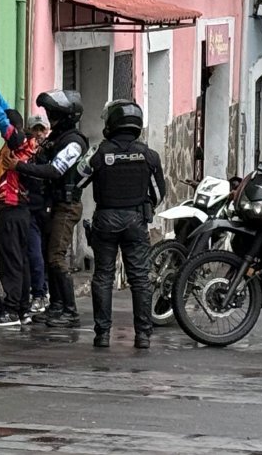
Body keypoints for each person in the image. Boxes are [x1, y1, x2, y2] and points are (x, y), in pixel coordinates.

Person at [75, 100, 166, 349]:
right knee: (140, 278)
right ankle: (143, 336)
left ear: (111, 123)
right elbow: (159, 193)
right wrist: (144, 206)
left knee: (103, 276)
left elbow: (78, 179)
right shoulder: (149, 155)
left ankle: (102, 335)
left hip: (106, 219)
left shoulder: (99, 152)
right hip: (136, 220)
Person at [7, 89, 88, 328]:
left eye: (54, 114)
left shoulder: (74, 143)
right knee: (47, 254)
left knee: (55, 257)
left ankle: (70, 311)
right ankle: (56, 307)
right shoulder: (57, 139)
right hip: (51, 205)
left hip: (67, 205)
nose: (50, 118)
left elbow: (55, 171)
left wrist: (20, 167)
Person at [0, 69, 37, 327]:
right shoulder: (25, 141)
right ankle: (22, 307)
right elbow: (10, 114)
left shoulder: (17, 143)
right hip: (20, 210)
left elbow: (1, 119)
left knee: (11, 260)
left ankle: (12, 309)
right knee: (20, 259)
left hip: (12, 210)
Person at [24, 115, 50, 314]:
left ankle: (45, 291)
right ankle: (39, 293)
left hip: (48, 209)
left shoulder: (51, 151)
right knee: (35, 252)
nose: (39, 134)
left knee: (48, 253)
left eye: (42, 130)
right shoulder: (26, 152)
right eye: (36, 130)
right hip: (32, 209)